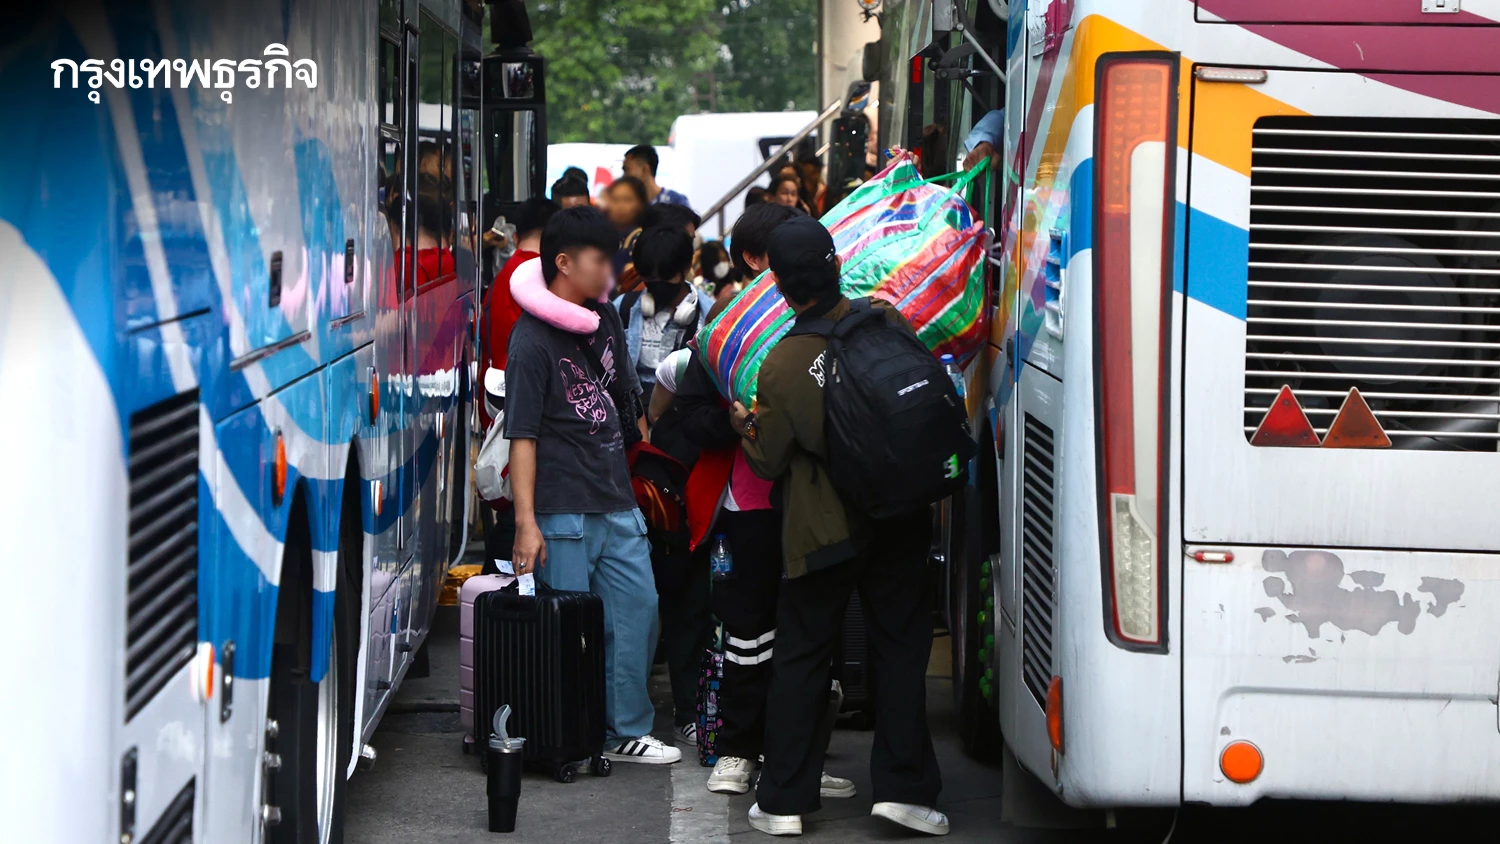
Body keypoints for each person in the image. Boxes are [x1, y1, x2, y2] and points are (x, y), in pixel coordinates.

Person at [734, 216, 946, 836]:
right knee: (900, 650)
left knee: (802, 655)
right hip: (901, 515)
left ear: (778, 287)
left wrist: (744, 424)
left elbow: (768, 459)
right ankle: (906, 792)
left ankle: (784, 802)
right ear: (837, 265)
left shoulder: (784, 362)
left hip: (825, 530)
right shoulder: (886, 320)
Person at [505, 206, 682, 765]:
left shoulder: (603, 317)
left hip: (617, 497)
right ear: (563, 263)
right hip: (563, 510)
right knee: (569, 631)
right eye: (598, 258)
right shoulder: (530, 340)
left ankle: (625, 730)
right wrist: (526, 524)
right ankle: (569, 735)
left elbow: (629, 402)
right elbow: (522, 437)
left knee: (638, 612)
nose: (610, 269)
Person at [615, 224, 716, 391]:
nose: (658, 284)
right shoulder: (623, 308)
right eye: (650, 277)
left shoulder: (709, 315)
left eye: (666, 276)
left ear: (686, 267)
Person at [605, 176, 649, 283]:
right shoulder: (600, 233)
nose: (620, 206)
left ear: (641, 203)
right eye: (615, 199)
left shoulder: (643, 238)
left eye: (627, 200)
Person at [624, 144, 691, 207]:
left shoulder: (676, 202)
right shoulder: (628, 205)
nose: (624, 176)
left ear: (645, 170)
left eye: (627, 170)